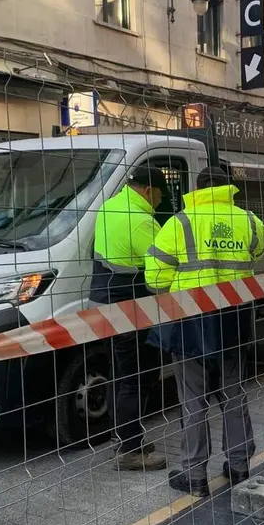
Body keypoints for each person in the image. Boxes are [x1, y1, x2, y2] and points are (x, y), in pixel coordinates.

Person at [145, 166, 264, 497]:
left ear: (196, 189)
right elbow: (258, 252)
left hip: (191, 320)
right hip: (234, 317)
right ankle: (239, 466)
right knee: (233, 393)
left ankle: (195, 475)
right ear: (227, 188)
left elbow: (154, 278)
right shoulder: (249, 220)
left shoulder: (180, 222)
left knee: (193, 400)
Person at [89, 165, 169, 471]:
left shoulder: (109, 207)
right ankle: (130, 450)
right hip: (130, 308)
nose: (160, 201)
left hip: (105, 304)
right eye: (160, 194)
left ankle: (124, 437)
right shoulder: (141, 220)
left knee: (120, 374)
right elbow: (164, 266)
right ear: (148, 190)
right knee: (138, 377)